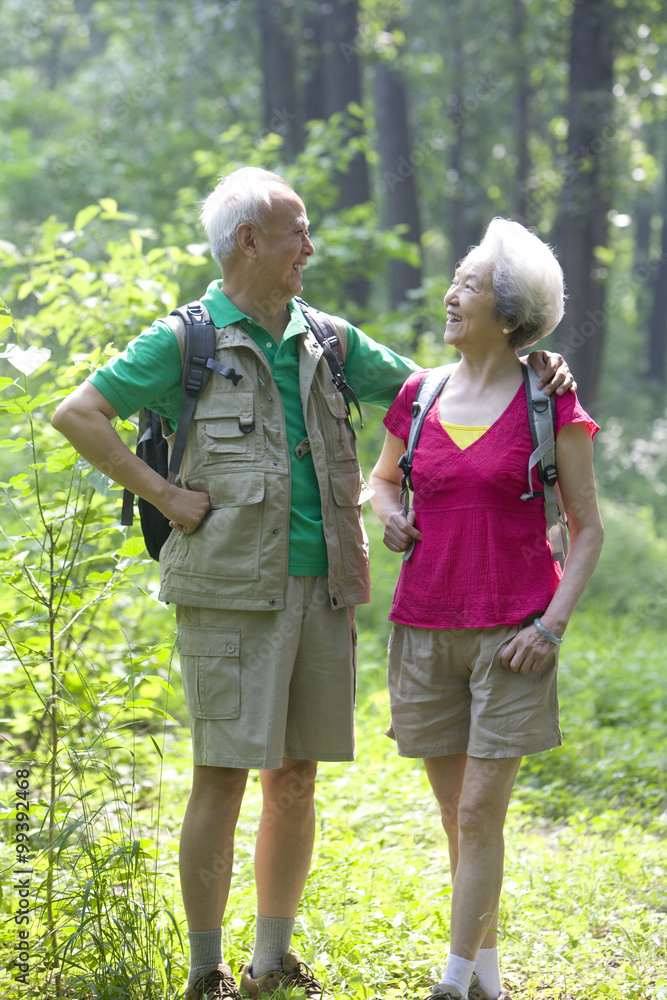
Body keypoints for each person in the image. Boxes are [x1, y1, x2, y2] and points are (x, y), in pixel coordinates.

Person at [51, 172, 574, 1000]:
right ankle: (204, 969)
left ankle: (271, 957)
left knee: (296, 775)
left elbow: (443, 392)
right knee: (220, 774)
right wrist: (164, 495)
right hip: (226, 596)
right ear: (247, 242)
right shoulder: (181, 342)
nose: (311, 247)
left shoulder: (328, 339)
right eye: (296, 231)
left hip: (324, 590)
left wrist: (526, 359)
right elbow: (78, 413)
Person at [369, 218, 603, 1000]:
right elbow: (382, 479)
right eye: (456, 279)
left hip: (513, 635)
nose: (449, 293)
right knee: (458, 821)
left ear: (507, 313)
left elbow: (588, 529)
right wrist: (386, 511)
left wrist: (550, 625)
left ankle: (451, 980)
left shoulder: (548, 401)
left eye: (467, 284)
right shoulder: (420, 391)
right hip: (423, 626)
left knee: (477, 812)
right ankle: (489, 975)